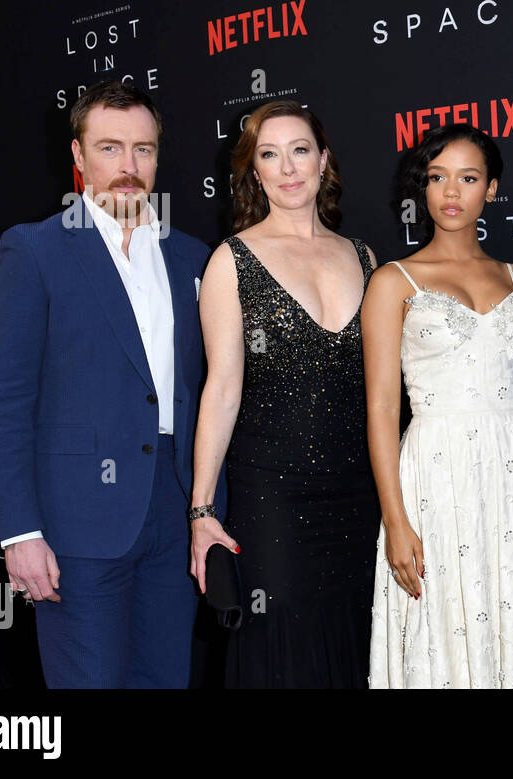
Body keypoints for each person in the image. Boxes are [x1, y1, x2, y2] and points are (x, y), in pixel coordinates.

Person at [0, 80, 210, 688]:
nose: (129, 169)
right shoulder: (34, 250)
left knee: (166, 680)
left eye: (144, 150)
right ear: (78, 157)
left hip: (173, 510)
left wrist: (207, 509)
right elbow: (2, 405)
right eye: (110, 148)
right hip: (76, 520)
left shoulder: (193, 257)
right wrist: (19, 532)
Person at [362, 124, 513, 688]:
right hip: (437, 471)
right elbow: (384, 409)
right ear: (423, 189)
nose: (452, 192)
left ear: (491, 189)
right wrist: (395, 519)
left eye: (468, 177)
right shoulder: (393, 281)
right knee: (444, 623)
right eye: (438, 178)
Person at [186, 100, 380, 688]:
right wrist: (201, 511)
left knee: (357, 644)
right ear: (254, 171)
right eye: (270, 154)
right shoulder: (232, 261)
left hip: (359, 495)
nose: (288, 167)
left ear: (324, 161)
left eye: (300, 150)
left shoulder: (367, 258)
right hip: (272, 497)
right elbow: (221, 389)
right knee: (283, 651)